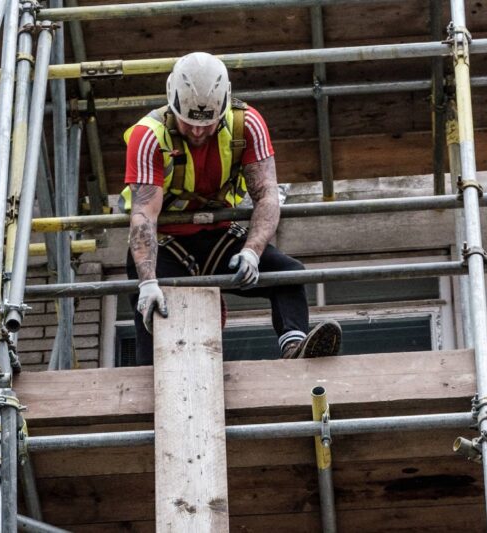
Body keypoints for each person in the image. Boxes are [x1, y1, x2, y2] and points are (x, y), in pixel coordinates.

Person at [121, 52, 341, 366]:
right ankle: (145, 383)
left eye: (207, 124)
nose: (198, 132)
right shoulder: (148, 136)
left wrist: (252, 251)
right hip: (166, 247)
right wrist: (148, 282)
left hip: (219, 239)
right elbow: (144, 214)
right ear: (172, 104)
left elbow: (266, 195)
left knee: (287, 275)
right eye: (189, 123)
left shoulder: (247, 124)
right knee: (153, 317)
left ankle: (295, 349)